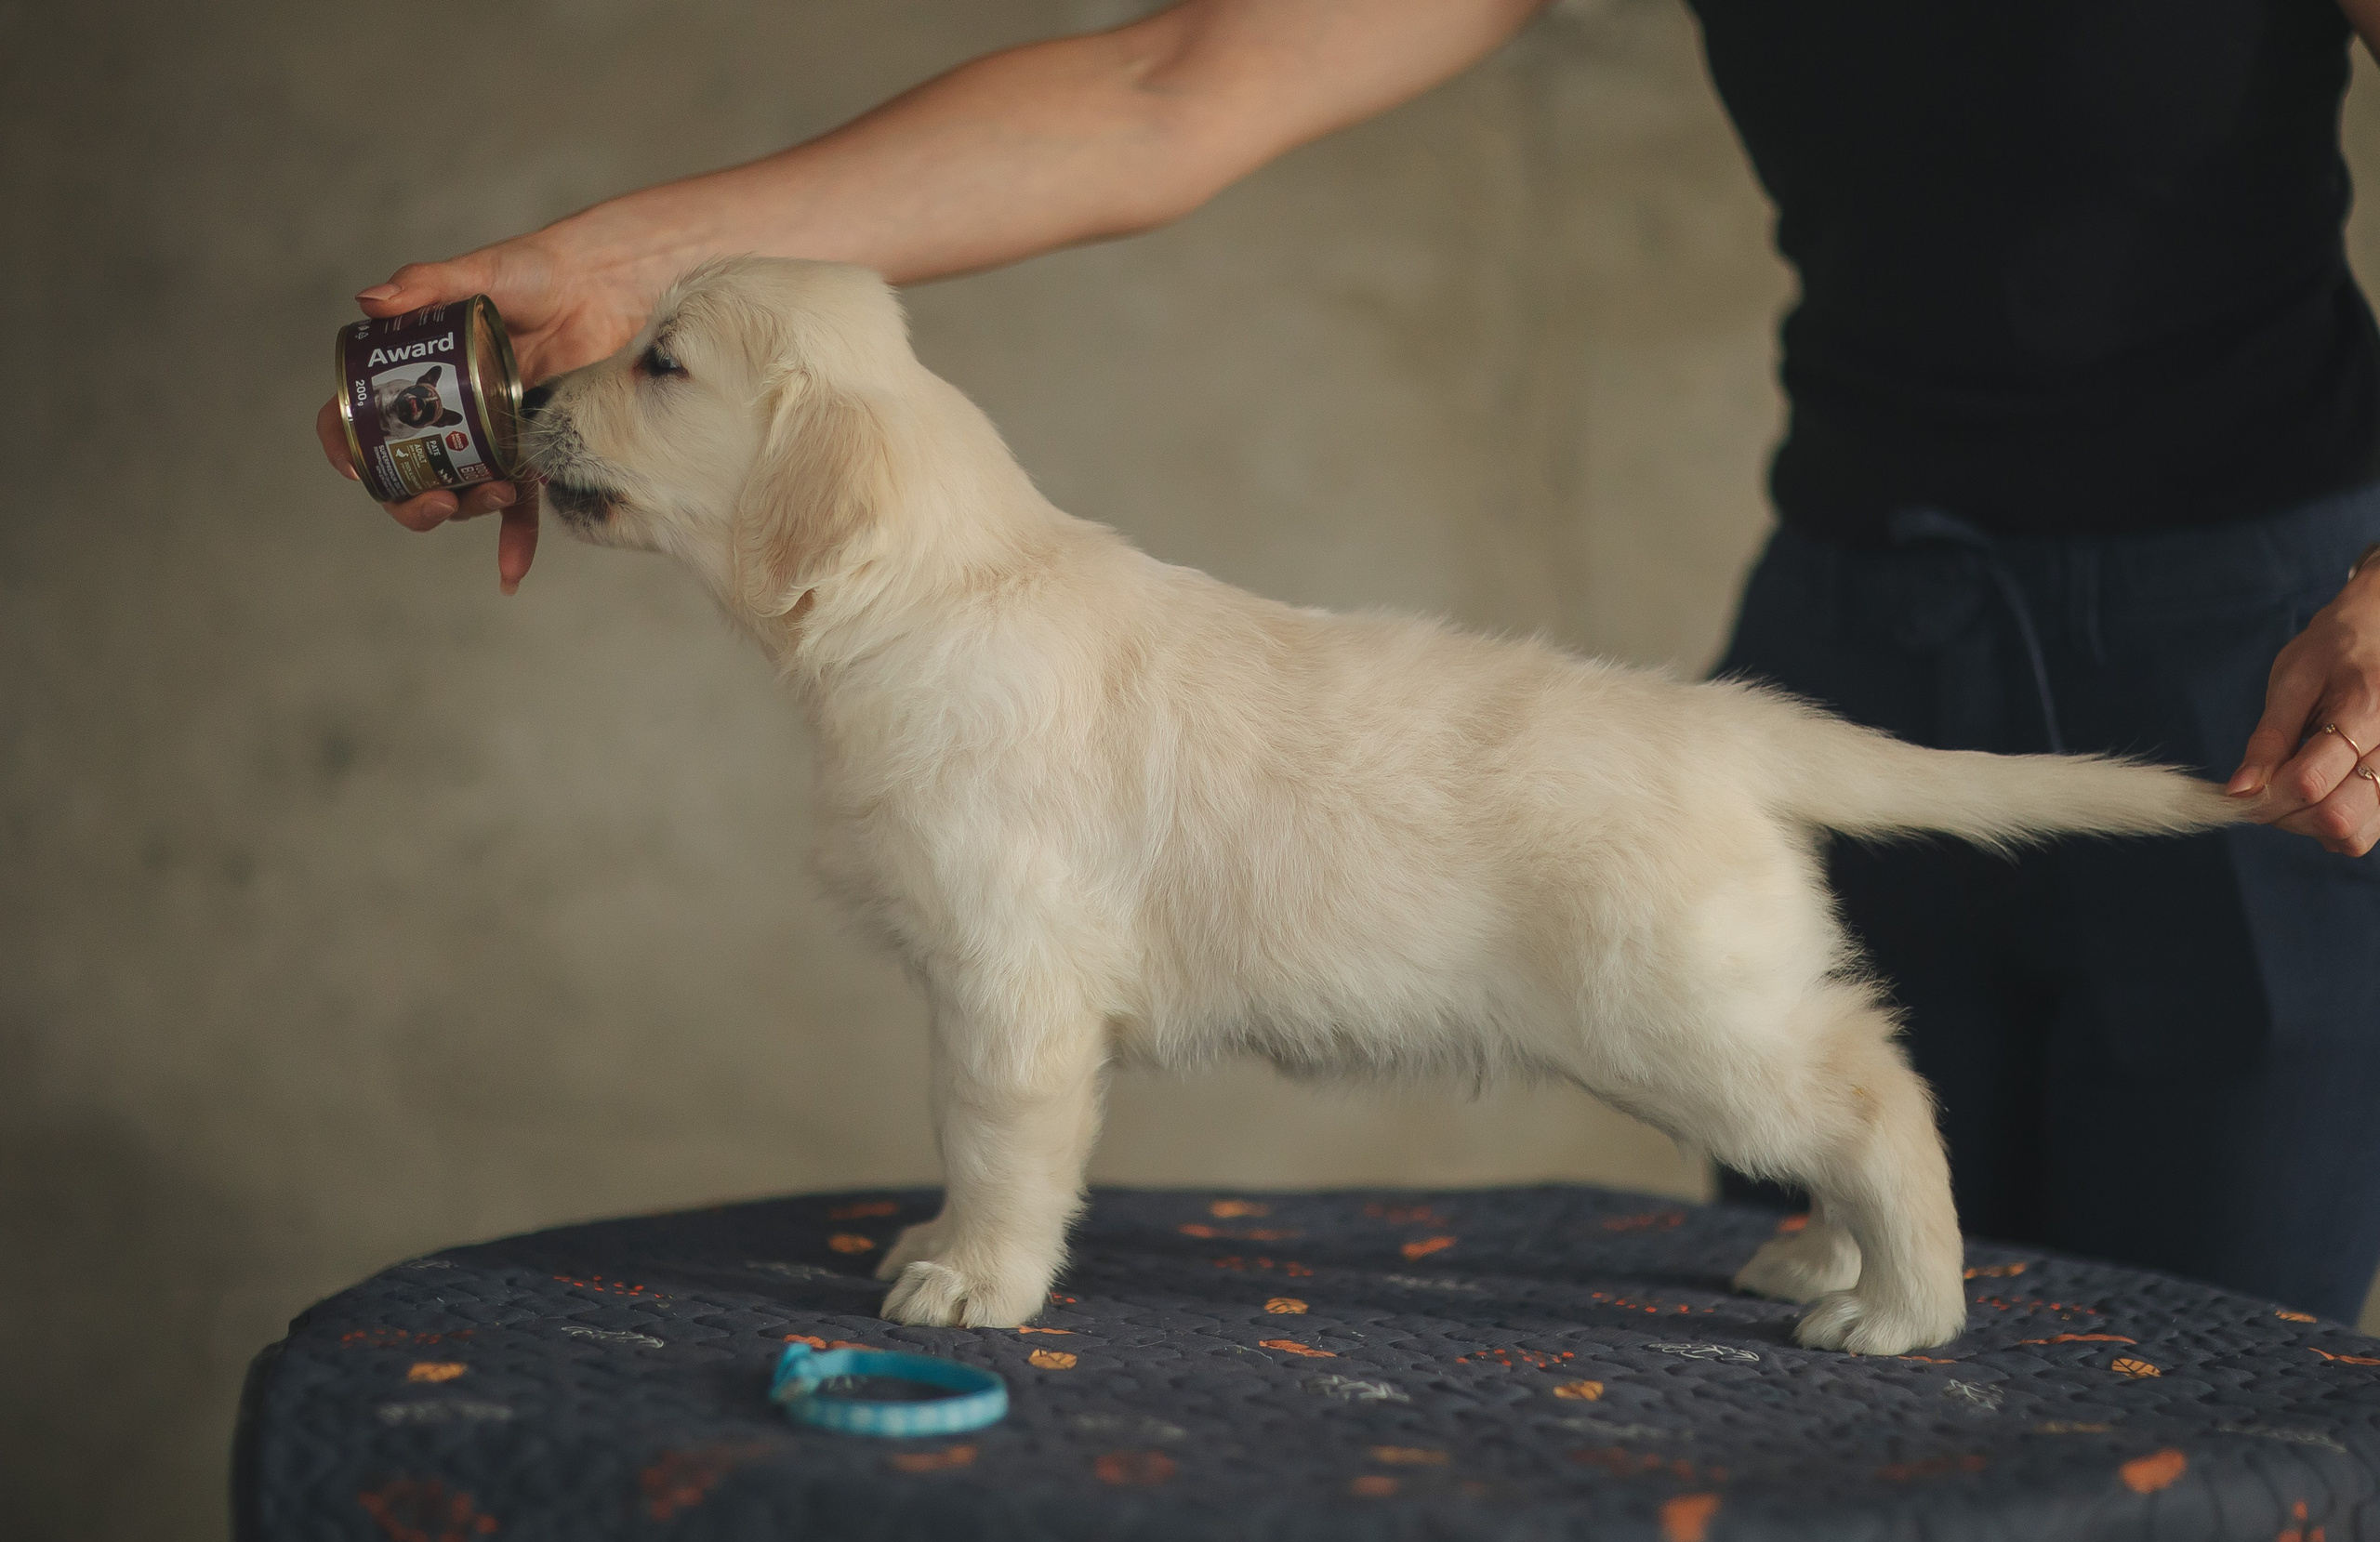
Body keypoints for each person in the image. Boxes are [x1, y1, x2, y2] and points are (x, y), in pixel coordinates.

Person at [318, 0, 2380, 1320]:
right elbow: (1173, 79)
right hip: (1849, 594)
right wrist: (608, 273)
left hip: (2272, 629)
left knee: (2198, 1384)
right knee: (1831, 1414)